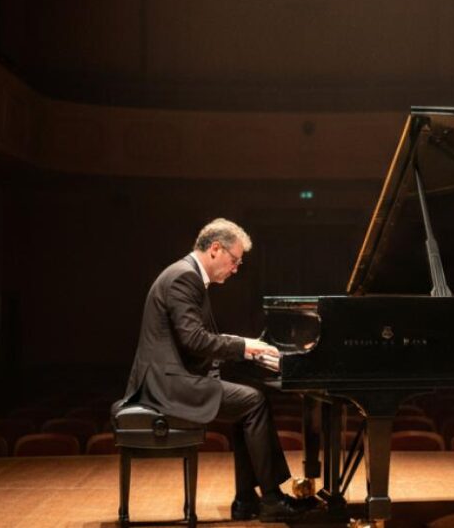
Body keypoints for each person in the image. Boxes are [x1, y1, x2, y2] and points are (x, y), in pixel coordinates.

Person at [116, 218, 310, 521]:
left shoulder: (185, 274)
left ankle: (247, 501)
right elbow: (194, 340)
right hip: (167, 385)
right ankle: (271, 500)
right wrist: (246, 348)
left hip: (173, 377)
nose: (235, 269)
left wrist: (245, 345)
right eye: (234, 260)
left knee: (248, 399)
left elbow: (196, 338)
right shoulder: (184, 278)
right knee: (254, 402)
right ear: (215, 249)